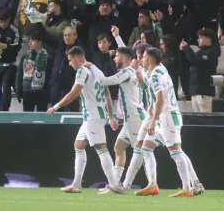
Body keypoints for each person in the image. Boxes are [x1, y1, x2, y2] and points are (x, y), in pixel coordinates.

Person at [47, 46, 121, 193]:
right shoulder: (96, 70)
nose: (70, 64)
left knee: (101, 148)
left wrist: (55, 106)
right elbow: (106, 92)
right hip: (93, 115)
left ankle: (114, 184)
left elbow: (74, 92)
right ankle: (76, 183)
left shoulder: (82, 70)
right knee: (79, 145)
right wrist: (110, 116)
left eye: (70, 60)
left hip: (93, 116)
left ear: (76, 57)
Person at [129, 47, 202, 197]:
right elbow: (155, 94)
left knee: (175, 152)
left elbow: (161, 99)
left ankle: (187, 188)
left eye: (143, 57)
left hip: (168, 117)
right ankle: (152, 184)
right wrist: (151, 106)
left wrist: (153, 121)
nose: (141, 59)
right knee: (146, 148)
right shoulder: (158, 70)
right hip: (163, 117)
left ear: (149, 60)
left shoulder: (156, 75)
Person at [83, 46, 148, 194]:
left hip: (134, 117)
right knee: (119, 148)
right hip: (130, 117)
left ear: (124, 58)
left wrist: (92, 66)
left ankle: (127, 185)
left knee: (140, 151)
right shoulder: (132, 71)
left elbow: (104, 81)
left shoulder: (127, 72)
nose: (114, 59)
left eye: (117, 56)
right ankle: (116, 185)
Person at [15, 31, 53, 112]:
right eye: (29, 40)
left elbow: (50, 77)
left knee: (41, 119)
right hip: (27, 91)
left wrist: (49, 93)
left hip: (42, 93)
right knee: (27, 119)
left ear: (39, 42)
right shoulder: (25, 57)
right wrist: (18, 89)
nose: (29, 43)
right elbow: (19, 73)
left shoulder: (48, 58)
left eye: (32, 40)